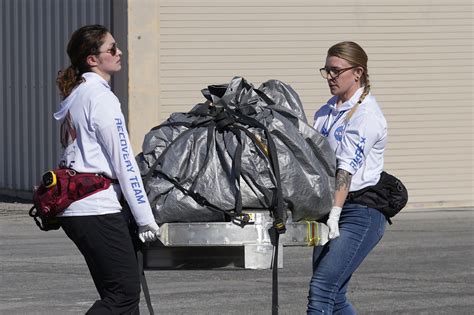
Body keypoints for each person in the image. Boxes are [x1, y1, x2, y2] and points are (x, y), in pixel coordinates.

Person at [54, 24, 160, 314]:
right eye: (111, 49)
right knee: (123, 296)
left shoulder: (78, 95)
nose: (119, 52)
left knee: (121, 297)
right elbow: (124, 161)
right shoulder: (101, 98)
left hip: (79, 208)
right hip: (96, 208)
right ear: (92, 59)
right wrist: (144, 217)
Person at [307, 41, 388, 314]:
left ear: (358, 72)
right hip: (331, 207)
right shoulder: (326, 111)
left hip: (359, 212)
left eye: (336, 70)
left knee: (322, 289)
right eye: (326, 70)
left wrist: (335, 212)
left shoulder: (367, 115)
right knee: (336, 295)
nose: (330, 77)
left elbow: (346, 169)